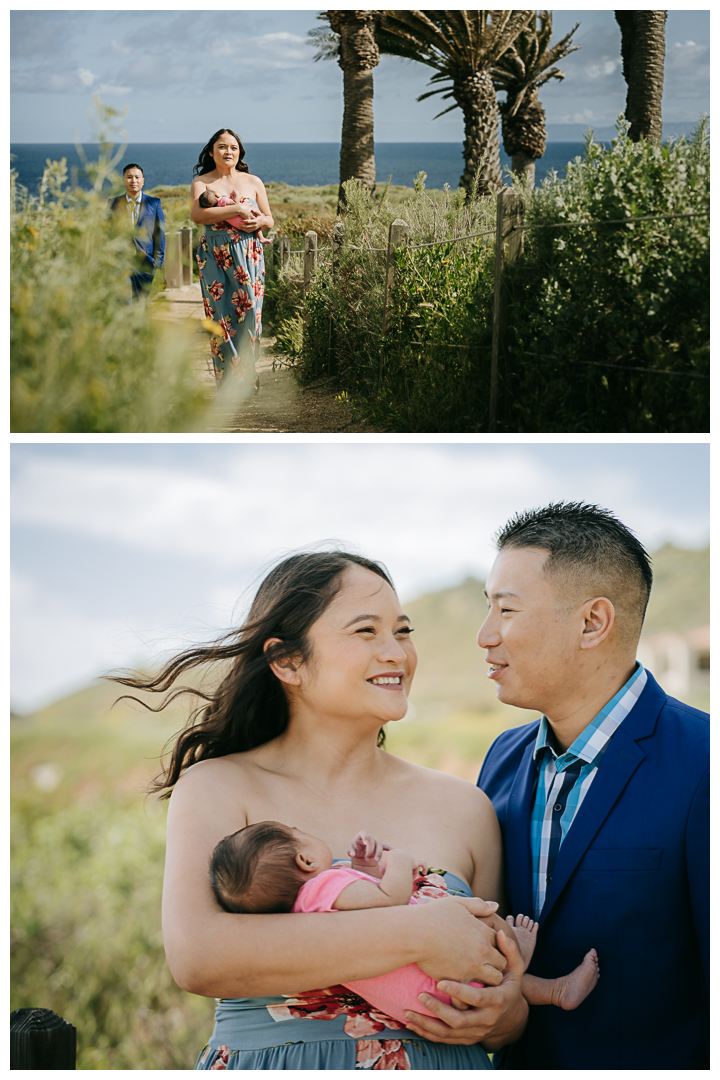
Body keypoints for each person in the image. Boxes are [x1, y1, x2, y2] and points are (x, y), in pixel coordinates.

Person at [112, 551, 529, 1070]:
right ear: (287, 661)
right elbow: (199, 957)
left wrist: (506, 1015)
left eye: (402, 631)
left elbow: (504, 988)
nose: (395, 652)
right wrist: (420, 933)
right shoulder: (219, 787)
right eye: (365, 631)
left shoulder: (464, 806)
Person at [473, 502, 709, 1070]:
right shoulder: (502, 759)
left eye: (506, 610)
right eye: (488, 609)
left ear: (592, 622)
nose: (484, 636)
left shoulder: (706, 761)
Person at [209, 822, 599, 1024]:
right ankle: (511, 947)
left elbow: (366, 909)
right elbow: (389, 899)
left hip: (421, 1001)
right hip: (441, 978)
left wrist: (362, 867)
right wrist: (400, 859)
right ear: (305, 862)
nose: (309, 834)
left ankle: (555, 990)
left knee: (477, 971)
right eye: (300, 834)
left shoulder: (306, 912)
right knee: (470, 910)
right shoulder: (325, 884)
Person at [190, 128, 274, 396]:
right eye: (223, 147)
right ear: (212, 152)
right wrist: (237, 209)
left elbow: (269, 219)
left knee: (251, 314)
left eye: (234, 148)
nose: (228, 152)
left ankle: (247, 370)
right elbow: (197, 216)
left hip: (250, 253)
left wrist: (261, 222)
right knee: (222, 319)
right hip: (215, 255)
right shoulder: (202, 183)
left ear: (240, 152)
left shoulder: (254, 181)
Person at [109, 163, 165, 300]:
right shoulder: (113, 204)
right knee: (123, 302)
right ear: (123, 180)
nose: (133, 181)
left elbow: (159, 235)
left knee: (141, 304)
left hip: (145, 263)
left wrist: (156, 264)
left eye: (137, 177)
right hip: (120, 263)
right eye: (129, 177)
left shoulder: (154, 203)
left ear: (142, 180)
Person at [198, 188, 272, 247]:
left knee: (255, 226)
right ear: (217, 196)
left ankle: (261, 238)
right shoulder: (223, 200)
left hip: (240, 226)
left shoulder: (217, 208)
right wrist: (237, 194)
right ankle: (261, 238)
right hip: (245, 220)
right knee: (258, 222)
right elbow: (235, 203)